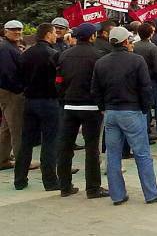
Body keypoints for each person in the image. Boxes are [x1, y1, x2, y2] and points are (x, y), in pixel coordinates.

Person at [91, 26, 157, 205]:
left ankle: (117, 195)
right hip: (132, 111)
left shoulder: (101, 62)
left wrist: (103, 107)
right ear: (126, 42)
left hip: (111, 113)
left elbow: (95, 90)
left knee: (113, 155)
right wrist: (145, 108)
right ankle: (151, 193)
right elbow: (145, 87)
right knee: (142, 154)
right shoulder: (136, 61)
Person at [56, 23, 109, 199]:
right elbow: (101, 83)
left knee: (65, 147)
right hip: (91, 107)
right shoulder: (98, 56)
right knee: (91, 148)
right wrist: (101, 104)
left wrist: (63, 100)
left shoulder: (64, 55)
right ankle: (93, 188)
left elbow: (58, 81)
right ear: (92, 36)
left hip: (69, 106)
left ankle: (64, 186)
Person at [14, 24, 60, 191]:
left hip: (30, 101)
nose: (57, 36)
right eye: (55, 33)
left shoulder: (25, 54)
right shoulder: (54, 55)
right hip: (49, 101)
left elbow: (18, 77)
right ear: (48, 35)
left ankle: (19, 179)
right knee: (50, 141)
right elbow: (59, 80)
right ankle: (50, 181)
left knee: (26, 141)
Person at [0, 20, 25, 171]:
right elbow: (8, 73)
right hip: (11, 92)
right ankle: (22, 161)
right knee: (17, 127)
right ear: (5, 31)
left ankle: (2, 159)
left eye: (19, 29)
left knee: (7, 127)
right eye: (13, 30)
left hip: (7, 91)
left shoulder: (9, 47)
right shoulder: (5, 49)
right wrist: (20, 89)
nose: (17, 32)